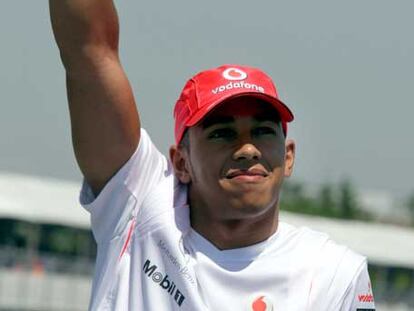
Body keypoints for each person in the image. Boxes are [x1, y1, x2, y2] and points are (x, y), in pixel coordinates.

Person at [49, 1, 376, 310]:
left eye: (263, 130)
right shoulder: (137, 206)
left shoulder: (333, 273)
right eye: (222, 133)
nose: (248, 149)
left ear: (288, 156)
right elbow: (89, 50)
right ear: (181, 162)